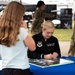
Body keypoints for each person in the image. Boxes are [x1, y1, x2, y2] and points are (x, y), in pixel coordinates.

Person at [0, 1, 36, 75]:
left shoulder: (1, 31)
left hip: (6, 69)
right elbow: (33, 47)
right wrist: (26, 30)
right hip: (21, 69)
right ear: (18, 16)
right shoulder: (22, 31)